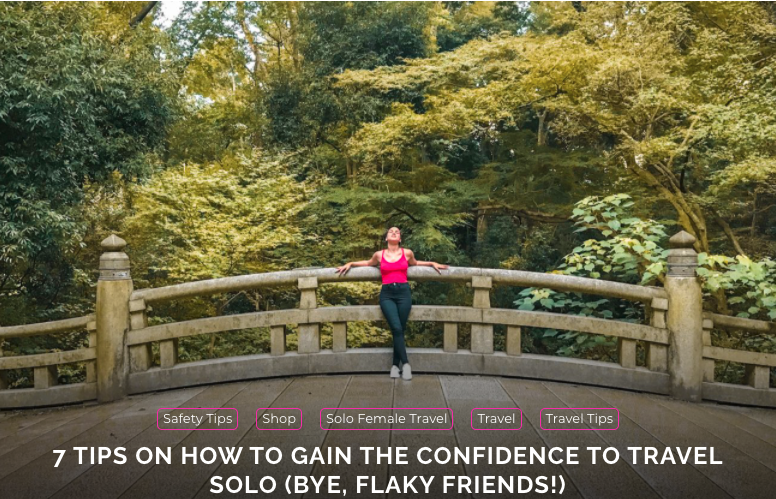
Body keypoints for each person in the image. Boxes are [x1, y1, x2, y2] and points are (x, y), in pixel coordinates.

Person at [335, 227, 448, 380]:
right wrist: (351, 263)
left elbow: (416, 263)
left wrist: (432, 263)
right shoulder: (379, 255)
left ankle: (395, 366)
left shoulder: (407, 253)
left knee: (400, 329)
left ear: (400, 238)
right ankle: (406, 365)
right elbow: (368, 263)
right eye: (391, 231)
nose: (394, 232)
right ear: (386, 238)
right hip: (387, 294)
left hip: (403, 293)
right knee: (396, 327)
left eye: (397, 232)